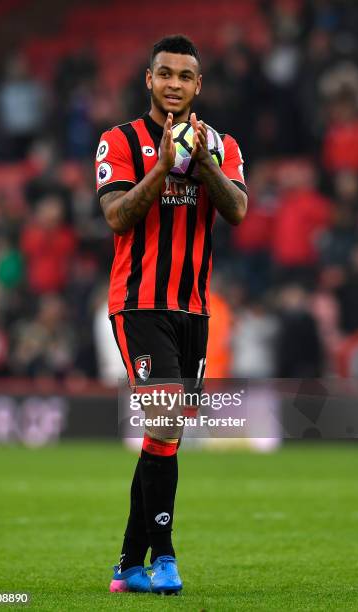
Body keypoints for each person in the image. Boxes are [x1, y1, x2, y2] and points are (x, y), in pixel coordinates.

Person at [96, 35, 247, 595]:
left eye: (185, 76)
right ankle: (165, 556)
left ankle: (128, 565)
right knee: (163, 422)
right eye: (165, 74)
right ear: (149, 79)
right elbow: (116, 216)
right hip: (138, 303)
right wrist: (162, 168)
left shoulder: (224, 145)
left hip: (195, 310)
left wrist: (201, 161)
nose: (175, 84)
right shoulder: (119, 141)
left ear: (199, 85)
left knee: (166, 437)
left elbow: (236, 210)